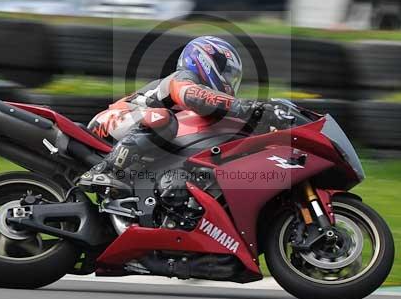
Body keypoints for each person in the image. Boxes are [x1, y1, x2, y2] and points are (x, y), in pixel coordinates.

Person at [80, 35, 273, 196]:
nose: (230, 83)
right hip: (113, 119)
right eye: (228, 73)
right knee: (163, 119)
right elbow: (196, 97)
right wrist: (246, 107)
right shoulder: (183, 79)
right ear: (206, 61)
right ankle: (105, 171)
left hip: (136, 133)